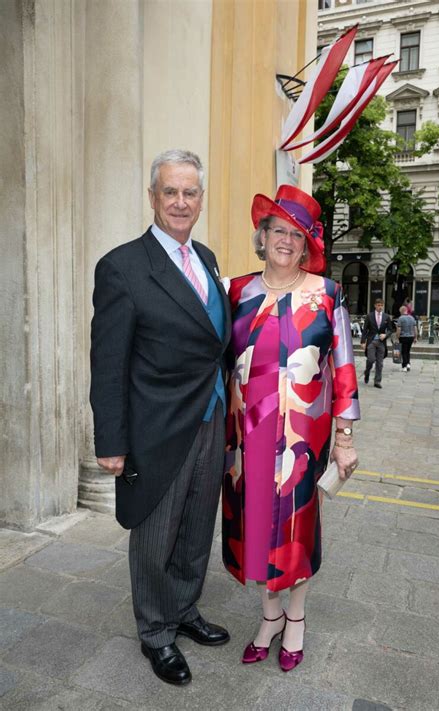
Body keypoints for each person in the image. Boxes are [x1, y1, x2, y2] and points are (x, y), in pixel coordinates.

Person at [90, 149, 232, 686]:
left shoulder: (209, 258)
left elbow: (215, 340)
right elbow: (107, 362)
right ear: (153, 198)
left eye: (190, 192)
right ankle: (155, 632)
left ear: (200, 200)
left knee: (197, 526)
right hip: (156, 426)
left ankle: (183, 608)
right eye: (169, 192)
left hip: (211, 416)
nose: (180, 201)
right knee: (156, 530)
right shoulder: (123, 266)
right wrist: (111, 440)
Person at [222, 185, 360, 672]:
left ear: (307, 245)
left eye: (296, 234)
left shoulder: (326, 294)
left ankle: (295, 621)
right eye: (277, 230)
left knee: (297, 530)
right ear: (262, 237)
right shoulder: (236, 291)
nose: (285, 240)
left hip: (304, 435)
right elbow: (218, 364)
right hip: (246, 437)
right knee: (255, 525)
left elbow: (343, 368)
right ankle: (269, 617)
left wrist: (345, 438)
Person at [361, 298, 392, 389]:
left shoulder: (386, 317)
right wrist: (363, 342)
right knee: (370, 359)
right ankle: (367, 372)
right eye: (378, 305)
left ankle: (377, 381)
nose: (380, 307)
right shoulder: (369, 316)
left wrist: (385, 335)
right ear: (375, 305)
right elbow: (365, 330)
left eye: (381, 305)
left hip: (381, 343)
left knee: (380, 363)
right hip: (371, 341)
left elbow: (390, 330)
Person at [396, 305, 417, 372]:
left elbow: (399, 329)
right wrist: (415, 337)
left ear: (401, 311)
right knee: (408, 351)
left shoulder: (400, 318)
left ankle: (404, 366)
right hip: (411, 337)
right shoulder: (412, 318)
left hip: (403, 337)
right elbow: (415, 328)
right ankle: (408, 363)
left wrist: (397, 337)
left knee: (403, 352)